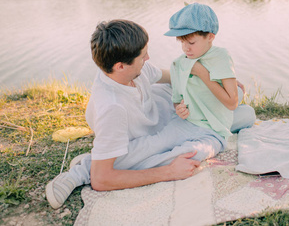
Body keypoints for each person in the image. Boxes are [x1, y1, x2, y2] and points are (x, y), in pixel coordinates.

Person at [45, 19, 255, 209]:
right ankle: (87, 168)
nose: (148, 57)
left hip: (173, 113)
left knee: (247, 115)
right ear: (120, 66)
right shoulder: (112, 108)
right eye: (142, 55)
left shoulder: (134, 68)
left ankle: (99, 161)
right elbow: (101, 182)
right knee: (198, 150)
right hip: (149, 140)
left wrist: (218, 82)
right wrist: (169, 173)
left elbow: (174, 75)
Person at [164, 2, 255, 139]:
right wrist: (179, 108)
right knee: (248, 113)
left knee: (242, 100)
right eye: (182, 42)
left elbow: (232, 103)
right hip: (202, 121)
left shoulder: (220, 57)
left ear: (210, 37)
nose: (185, 48)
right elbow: (177, 99)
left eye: (191, 43)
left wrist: (203, 73)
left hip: (220, 106)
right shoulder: (178, 64)